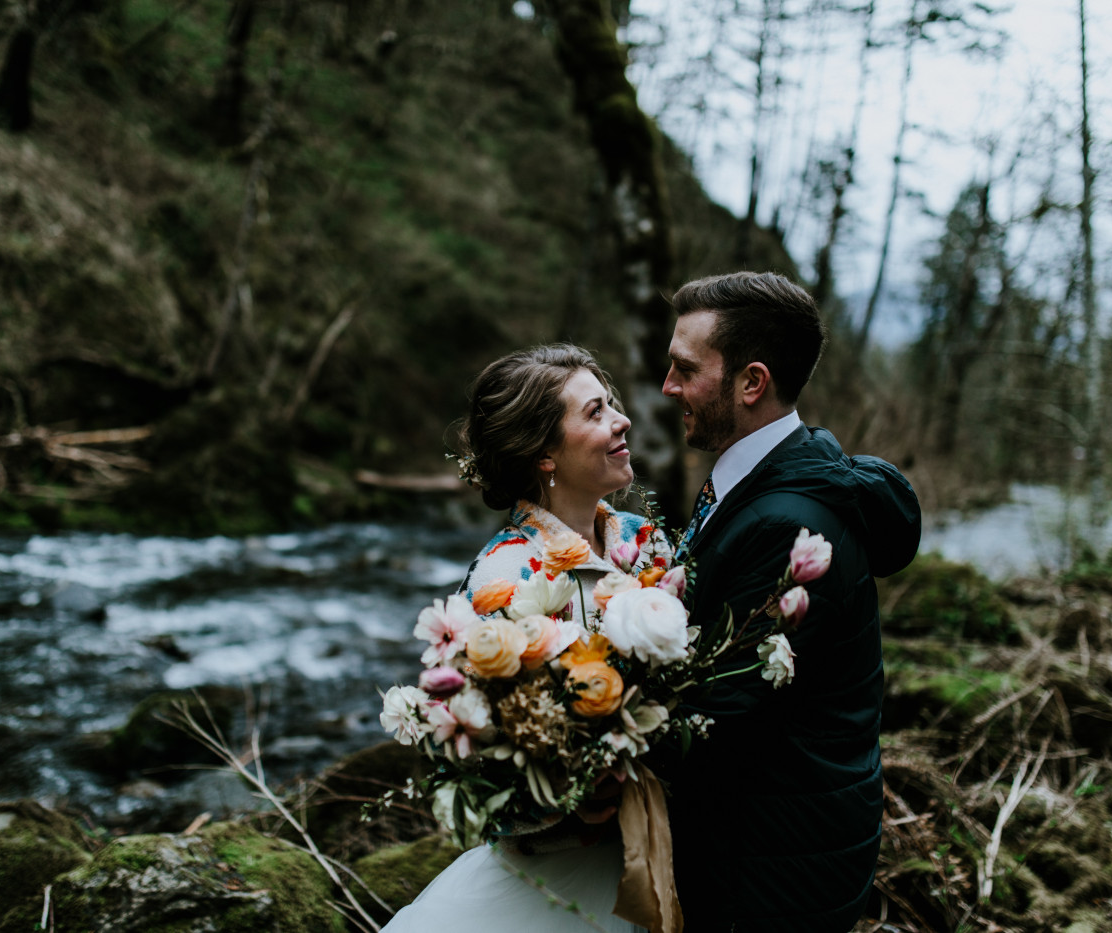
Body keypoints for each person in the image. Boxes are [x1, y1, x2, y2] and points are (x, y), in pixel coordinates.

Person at [658, 271, 922, 932]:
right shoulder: (759, 476)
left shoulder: (785, 522)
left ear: (751, 383)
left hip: (770, 868)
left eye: (685, 368)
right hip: (773, 836)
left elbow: (715, 718)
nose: (668, 386)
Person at [383, 344, 662, 933]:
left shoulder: (647, 544)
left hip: (657, 839)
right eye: (594, 412)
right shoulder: (504, 579)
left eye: (610, 403)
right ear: (544, 455)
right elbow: (467, 753)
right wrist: (568, 800)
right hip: (562, 871)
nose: (622, 419)